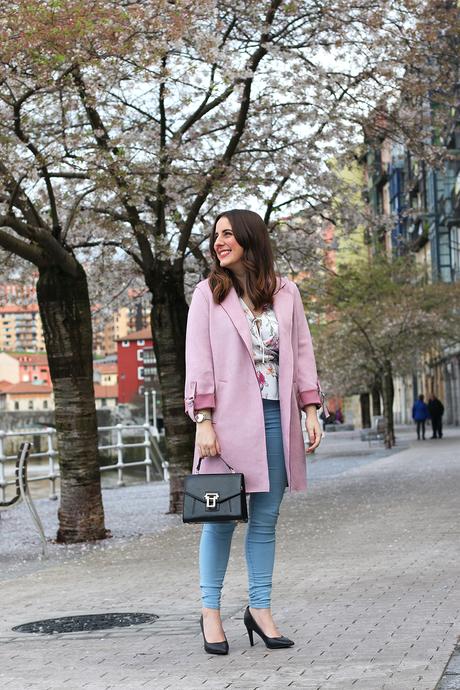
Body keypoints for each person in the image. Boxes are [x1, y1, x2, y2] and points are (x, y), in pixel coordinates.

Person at [184, 209, 323, 655]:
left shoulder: (287, 293)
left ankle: (259, 610)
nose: (218, 241)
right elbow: (198, 361)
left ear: (249, 238)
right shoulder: (207, 294)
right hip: (225, 424)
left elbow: (301, 352)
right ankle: (210, 613)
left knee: (265, 521)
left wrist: (311, 409)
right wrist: (203, 419)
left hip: (275, 418)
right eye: (215, 235)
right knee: (219, 518)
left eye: (227, 233)